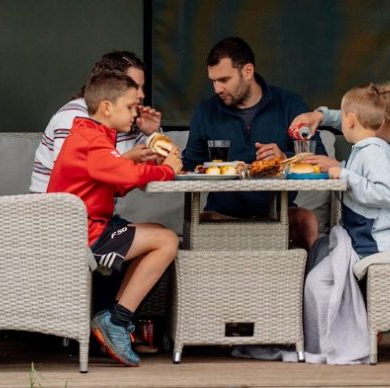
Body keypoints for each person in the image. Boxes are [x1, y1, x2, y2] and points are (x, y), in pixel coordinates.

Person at [47, 70, 180, 367]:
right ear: (107, 107)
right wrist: (168, 169)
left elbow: (117, 182)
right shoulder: (92, 140)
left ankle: (116, 318)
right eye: (131, 107)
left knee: (158, 233)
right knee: (166, 240)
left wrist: (142, 163)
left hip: (89, 228)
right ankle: (116, 320)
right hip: (83, 236)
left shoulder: (92, 135)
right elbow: (126, 176)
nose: (135, 114)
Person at [180, 36, 320, 248]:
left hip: (280, 213)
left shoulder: (289, 104)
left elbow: (319, 160)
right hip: (220, 214)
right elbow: (188, 166)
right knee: (202, 223)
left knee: (306, 220)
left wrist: (285, 159)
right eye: (213, 81)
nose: (217, 89)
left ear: (247, 71)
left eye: (224, 80)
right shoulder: (205, 111)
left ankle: (303, 281)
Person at [290, 81, 390, 240]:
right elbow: (351, 119)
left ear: (384, 125)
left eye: (372, 128)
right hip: (383, 225)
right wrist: (320, 116)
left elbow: (382, 184)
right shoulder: (377, 125)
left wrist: (339, 167)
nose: (366, 131)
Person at [31, 51, 162, 194]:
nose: (142, 95)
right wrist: (128, 159)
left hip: (96, 211)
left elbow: (157, 164)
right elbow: (72, 179)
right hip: (55, 210)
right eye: (134, 86)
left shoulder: (127, 120)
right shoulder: (73, 117)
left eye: (142, 87)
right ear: (110, 84)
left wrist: (152, 133)